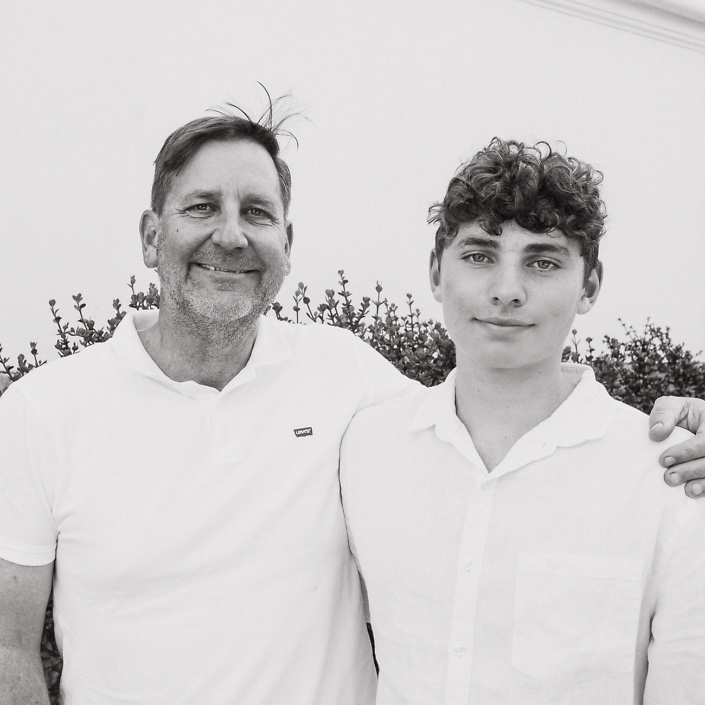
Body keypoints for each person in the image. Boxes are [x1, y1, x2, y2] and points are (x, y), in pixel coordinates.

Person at [0, 107, 703, 704]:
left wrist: (688, 423)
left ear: (287, 242)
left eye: (257, 213)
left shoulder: (348, 381)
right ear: (152, 235)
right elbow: (8, 648)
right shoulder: (42, 412)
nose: (231, 235)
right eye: (201, 207)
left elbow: (500, 414)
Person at [340, 138, 705, 704]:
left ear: (589, 286)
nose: (507, 291)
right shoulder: (365, 449)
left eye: (543, 262)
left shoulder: (669, 477)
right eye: (479, 255)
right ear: (436, 273)